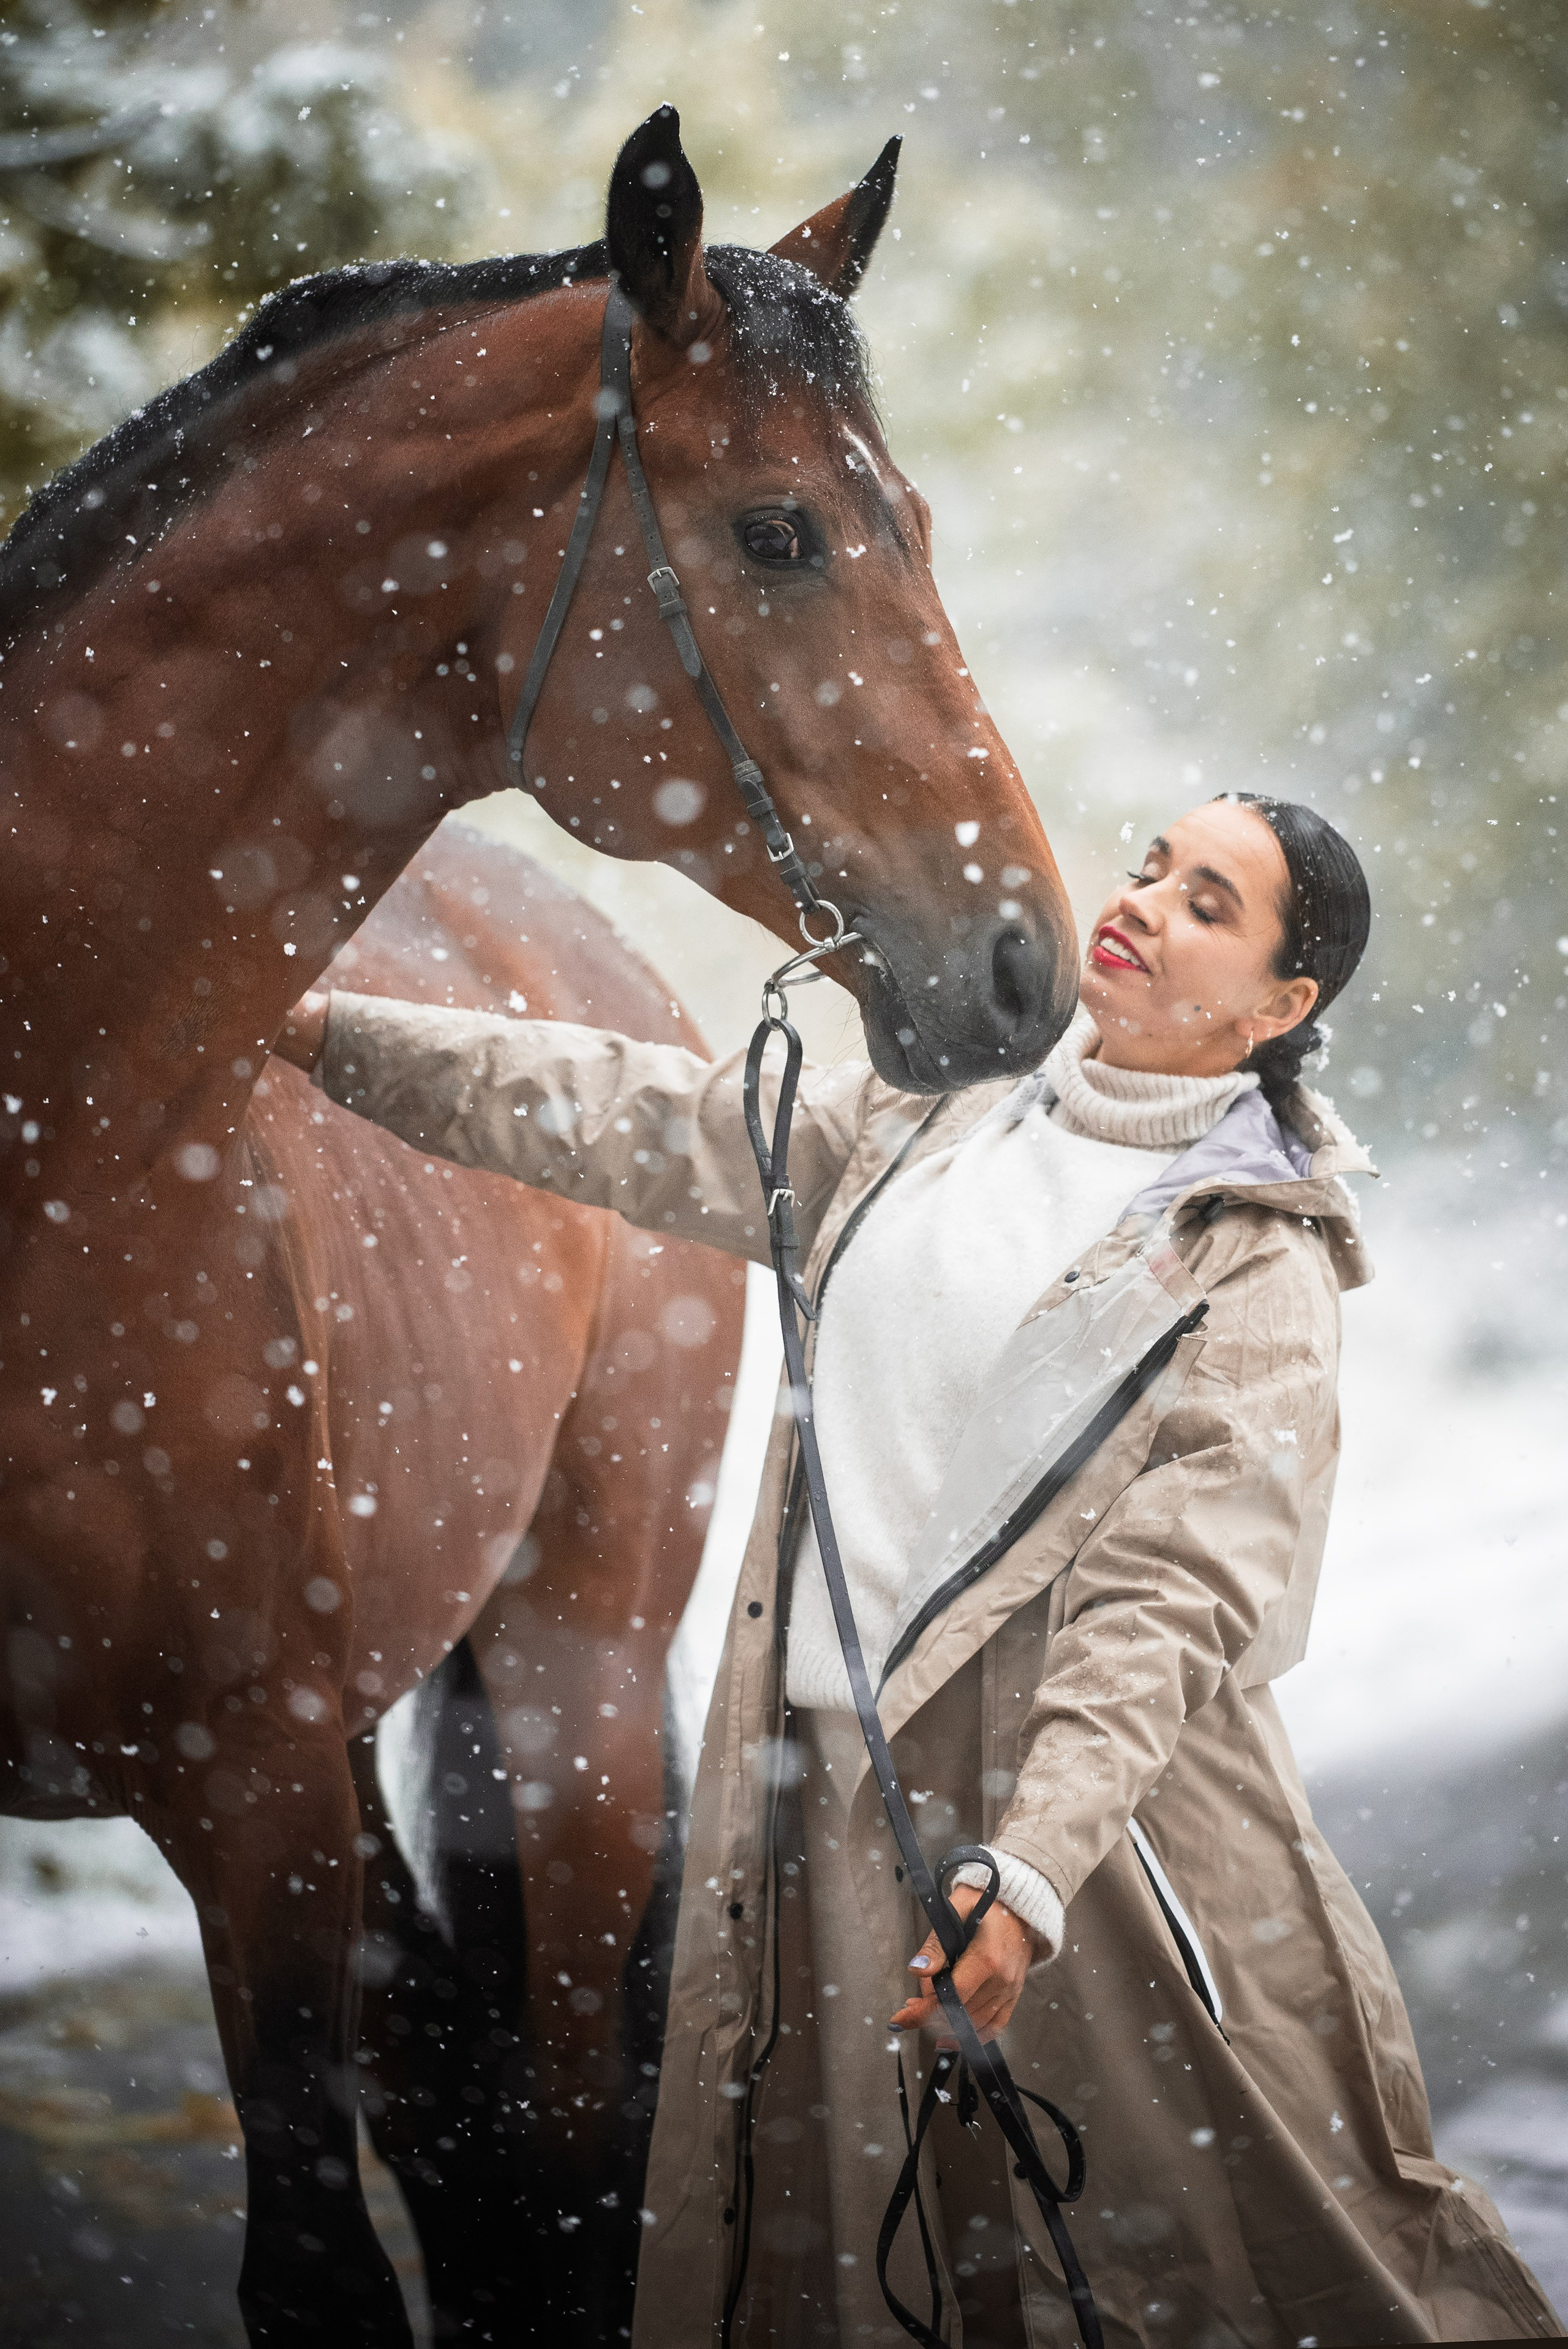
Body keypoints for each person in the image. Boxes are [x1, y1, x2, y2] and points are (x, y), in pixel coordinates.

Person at [277, 792, 1558, 2347]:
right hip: (826, 1809)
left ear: (1280, 1007)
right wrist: (326, 1034)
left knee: (1214, 2266)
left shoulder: (1253, 1260)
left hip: (1102, 1852)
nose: (1145, 901)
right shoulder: (932, 1126)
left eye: (1209, 903)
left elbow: (1172, 1604)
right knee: (839, 2259)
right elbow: (626, 1112)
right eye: (1151, 866)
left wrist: (1024, 1870)